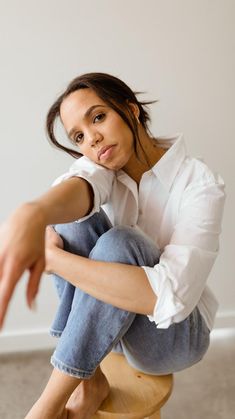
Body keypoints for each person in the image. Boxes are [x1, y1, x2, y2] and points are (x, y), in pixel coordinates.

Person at [0, 72, 226, 419]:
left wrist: (52, 259)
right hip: (112, 321)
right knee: (69, 218)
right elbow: (79, 185)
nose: (92, 138)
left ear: (130, 109)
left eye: (98, 117)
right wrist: (35, 213)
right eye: (79, 135)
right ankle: (90, 381)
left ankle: (47, 405)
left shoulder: (200, 184)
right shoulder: (104, 169)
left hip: (174, 338)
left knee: (121, 242)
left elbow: (168, 297)